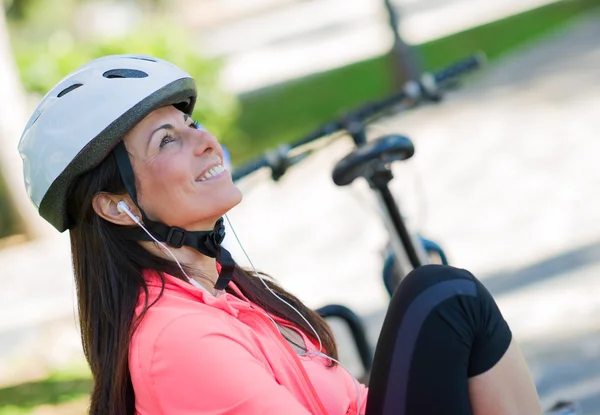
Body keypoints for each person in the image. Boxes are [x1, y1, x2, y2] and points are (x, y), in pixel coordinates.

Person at [18, 55, 543, 415]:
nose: (204, 141)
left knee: (449, 300)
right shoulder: (177, 339)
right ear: (115, 205)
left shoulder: (224, 294)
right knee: (441, 298)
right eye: (167, 139)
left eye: (191, 123)